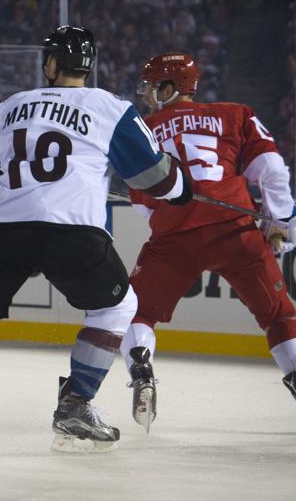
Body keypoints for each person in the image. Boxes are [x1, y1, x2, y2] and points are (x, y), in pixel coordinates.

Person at [0, 26, 192, 455]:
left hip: (5, 229)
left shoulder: (8, 108)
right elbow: (158, 181)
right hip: (74, 232)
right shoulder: (110, 108)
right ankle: (75, 404)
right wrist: (182, 186)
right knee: (117, 308)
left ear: (50, 64)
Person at [122, 52, 296, 432]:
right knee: (280, 315)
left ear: (170, 88)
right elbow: (272, 170)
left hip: (174, 237)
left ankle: (141, 369)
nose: (148, 95)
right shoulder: (235, 114)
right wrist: (281, 222)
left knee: (137, 313)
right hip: (235, 228)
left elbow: (141, 202)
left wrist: (172, 221)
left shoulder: (144, 129)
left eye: (153, 87)